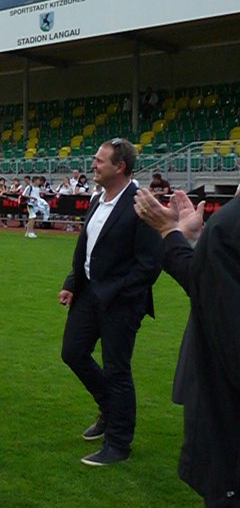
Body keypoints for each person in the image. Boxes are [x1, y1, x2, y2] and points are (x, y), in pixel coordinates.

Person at [57, 138, 160, 466]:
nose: (93, 165)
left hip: (121, 302)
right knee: (72, 352)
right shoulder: (97, 199)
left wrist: (120, 294)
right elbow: (85, 246)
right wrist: (73, 283)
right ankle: (109, 408)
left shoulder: (140, 204)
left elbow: (149, 264)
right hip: (88, 294)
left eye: (100, 161)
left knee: (117, 370)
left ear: (121, 167)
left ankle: (118, 444)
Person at [134, 187, 240, 505]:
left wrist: (169, 233)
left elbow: (220, 310)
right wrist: (192, 241)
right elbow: (215, 288)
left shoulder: (229, 225)